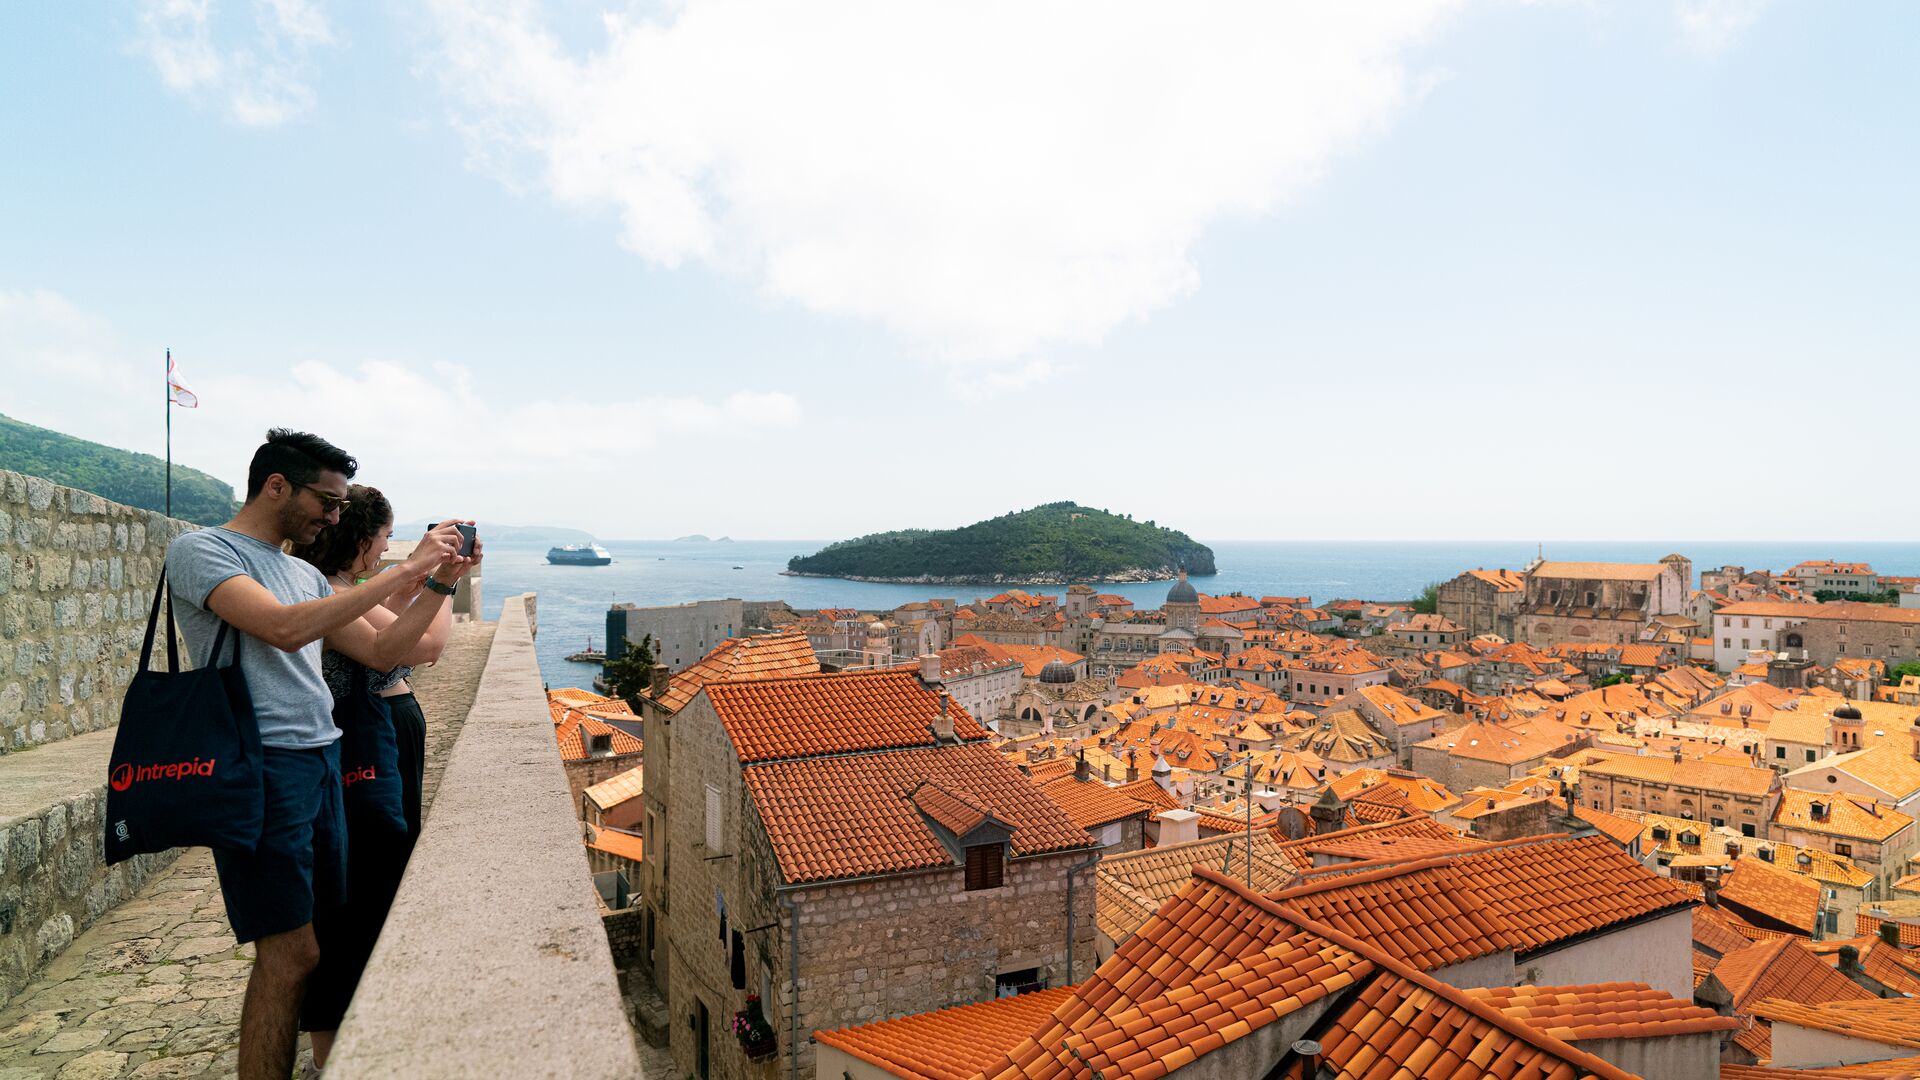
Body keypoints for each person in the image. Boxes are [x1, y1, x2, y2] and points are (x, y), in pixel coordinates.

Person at [163, 430, 469, 1080]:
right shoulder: (204, 551)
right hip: (262, 766)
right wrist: (405, 570)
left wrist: (441, 583)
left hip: (323, 761)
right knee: (290, 954)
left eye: (340, 506)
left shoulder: (303, 573)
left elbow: (385, 653)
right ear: (277, 485)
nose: (334, 518)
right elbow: (282, 628)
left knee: (322, 940)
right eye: (326, 502)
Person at [289, 485, 478, 1067]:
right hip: (361, 750)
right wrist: (441, 580)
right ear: (361, 538)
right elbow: (417, 646)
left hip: (373, 742)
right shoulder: (326, 592)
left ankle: (358, 1033)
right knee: (354, 892)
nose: (386, 549)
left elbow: (395, 619)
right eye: (385, 538)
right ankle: (332, 1054)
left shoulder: (339, 588)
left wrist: (431, 576)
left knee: (373, 883)